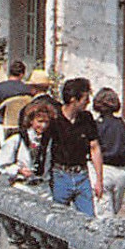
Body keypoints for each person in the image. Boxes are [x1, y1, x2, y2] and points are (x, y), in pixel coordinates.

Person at [46, 77, 103, 216]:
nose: (88, 102)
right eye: (85, 98)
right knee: (57, 219)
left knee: (89, 219)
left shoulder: (86, 118)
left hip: (81, 175)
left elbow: (94, 147)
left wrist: (99, 180)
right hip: (60, 175)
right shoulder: (55, 119)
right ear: (73, 99)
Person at [91, 87, 125, 219]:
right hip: (122, 172)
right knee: (115, 209)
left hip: (102, 170)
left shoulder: (95, 126)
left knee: (103, 213)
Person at [0, 95, 56, 188]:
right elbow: (2, 165)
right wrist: (20, 170)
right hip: (22, 185)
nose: (43, 126)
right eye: (40, 121)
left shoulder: (49, 140)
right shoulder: (17, 139)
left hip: (43, 187)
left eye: (46, 122)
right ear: (31, 121)